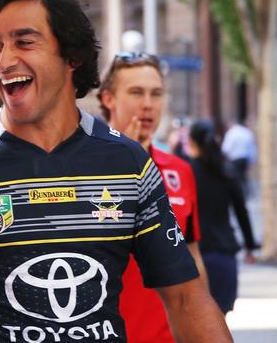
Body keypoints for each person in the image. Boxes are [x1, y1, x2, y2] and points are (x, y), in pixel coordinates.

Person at [0, 0, 232, 342]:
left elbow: (185, 300)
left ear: (72, 56)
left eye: (24, 42)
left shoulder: (129, 163)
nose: (4, 61)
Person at [97, 52, 207, 342]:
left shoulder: (180, 171)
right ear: (108, 99)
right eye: (136, 92)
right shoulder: (84, 169)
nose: (148, 104)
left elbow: (192, 257)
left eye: (156, 93)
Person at [186, 120, 258, 314]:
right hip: (223, 254)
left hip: (193, 255)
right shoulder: (227, 172)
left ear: (192, 141)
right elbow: (242, 213)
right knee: (219, 323)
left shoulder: (185, 172)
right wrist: (250, 247)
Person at [221, 121, 257, 194]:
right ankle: (245, 193)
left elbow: (226, 148)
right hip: (244, 159)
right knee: (243, 176)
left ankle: (239, 193)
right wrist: (251, 160)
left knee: (236, 178)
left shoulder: (231, 133)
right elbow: (252, 148)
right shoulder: (246, 132)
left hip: (235, 159)